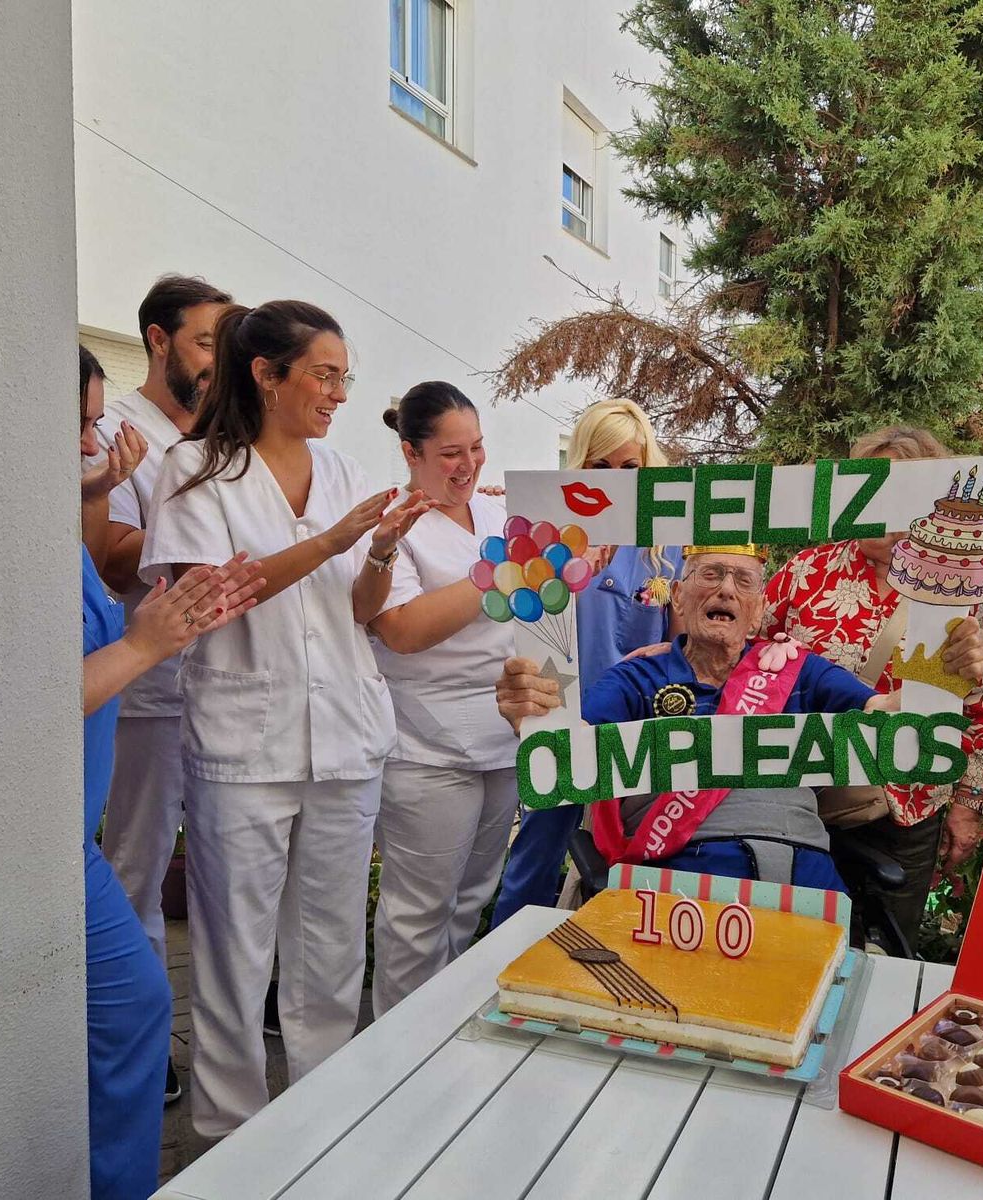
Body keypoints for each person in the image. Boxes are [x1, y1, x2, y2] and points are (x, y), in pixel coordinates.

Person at [140, 300, 433, 1138]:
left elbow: (367, 609)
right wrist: (337, 538)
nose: (339, 394)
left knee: (332, 954)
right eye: (325, 375)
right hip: (246, 747)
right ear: (267, 375)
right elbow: (211, 598)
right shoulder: (195, 469)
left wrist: (376, 551)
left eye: (346, 377)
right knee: (233, 957)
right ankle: (230, 1137)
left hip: (345, 737)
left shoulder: (341, 472)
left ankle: (323, 1126)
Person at [497, 546, 983, 889]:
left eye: (744, 581)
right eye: (710, 575)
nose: (726, 590)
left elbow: (883, 712)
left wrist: (944, 678)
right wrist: (532, 716)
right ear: (679, 596)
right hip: (676, 874)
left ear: (758, 612)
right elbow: (571, 752)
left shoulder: (799, 669)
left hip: (804, 871)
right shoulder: (636, 679)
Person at [77, 345, 262, 1196]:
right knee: (139, 925)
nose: (93, 442)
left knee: (139, 1003)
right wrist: (144, 644)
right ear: (158, 341)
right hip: (81, 802)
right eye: (77, 425)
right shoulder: (164, 452)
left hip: (96, 783)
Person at [761, 426, 983, 953]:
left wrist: (967, 805)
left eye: (898, 492)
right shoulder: (805, 572)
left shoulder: (951, 587)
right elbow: (743, 658)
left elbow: (978, 707)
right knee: (799, 945)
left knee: (890, 947)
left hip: (907, 803)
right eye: (870, 487)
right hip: (807, 795)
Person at [89, 274, 233, 1106]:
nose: (217, 361)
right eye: (206, 343)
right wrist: (193, 543)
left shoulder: (223, 437)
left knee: (222, 865)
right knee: (138, 867)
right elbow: (106, 552)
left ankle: (217, 1031)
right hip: (145, 687)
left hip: (225, 685)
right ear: (157, 340)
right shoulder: (117, 429)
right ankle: (144, 1043)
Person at [489, 399, 682, 926]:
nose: (615, 481)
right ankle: (498, 970)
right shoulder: (544, 534)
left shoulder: (669, 542)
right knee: (535, 863)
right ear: (580, 466)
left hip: (638, 733)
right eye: (600, 467)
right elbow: (522, 625)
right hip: (562, 723)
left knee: (632, 867)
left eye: (629, 468)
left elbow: (682, 643)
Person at [365, 383, 522, 1014]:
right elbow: (400, 629)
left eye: (478, 448)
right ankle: (395, 1050)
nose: (469, 464)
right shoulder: (393, 525)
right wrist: (501, 575)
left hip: (505, 730)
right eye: (451, 453)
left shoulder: (496, 515)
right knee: (417, 912)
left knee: (470, 899)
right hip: (426, 745)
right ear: (411, 452)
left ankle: (447, 1031)